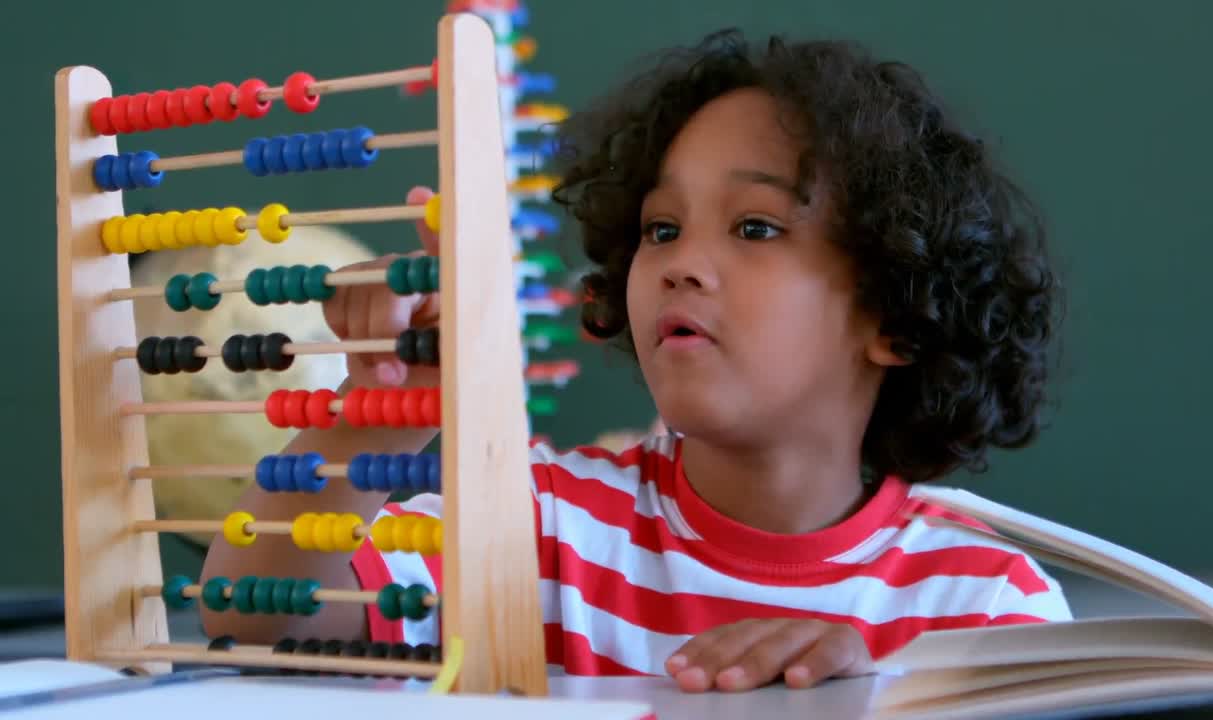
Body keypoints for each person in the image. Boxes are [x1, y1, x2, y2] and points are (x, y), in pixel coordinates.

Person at [201, 28, 1072, 693]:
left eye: (754, 227)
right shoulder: (539, 525)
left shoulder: (986, 606)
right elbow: (255, 618)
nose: (681, 263)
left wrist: (875, 698)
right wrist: (379, 409)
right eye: (661, 229)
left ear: (896, 318)